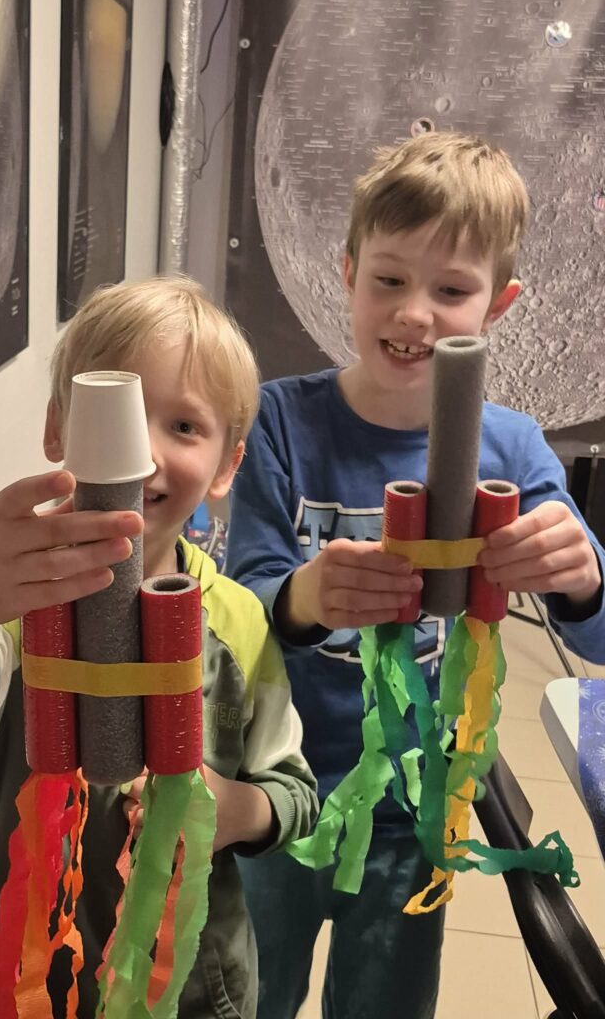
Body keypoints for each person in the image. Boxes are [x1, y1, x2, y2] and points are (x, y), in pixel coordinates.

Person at [0, 276, 318, 1018]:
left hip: (186, 993)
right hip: (13, 980)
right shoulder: (16, 610)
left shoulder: (235, 623)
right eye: (116, 414)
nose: (144, 456)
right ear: (56, 428)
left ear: (228, 465)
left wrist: (238, 809)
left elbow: (294, 789)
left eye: (184, 426)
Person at [226, 131, 605, 1019]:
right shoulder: (279, 421)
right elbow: (242, 602)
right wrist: (304, 595)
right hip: (277, 793)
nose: (414, 314)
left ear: (498, 304)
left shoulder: (513, 448)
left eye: (451, 290)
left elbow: (598, 632)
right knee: (250, 995)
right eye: (389, 280)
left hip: (411, 814)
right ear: (348, 272)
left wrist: (582, 578)